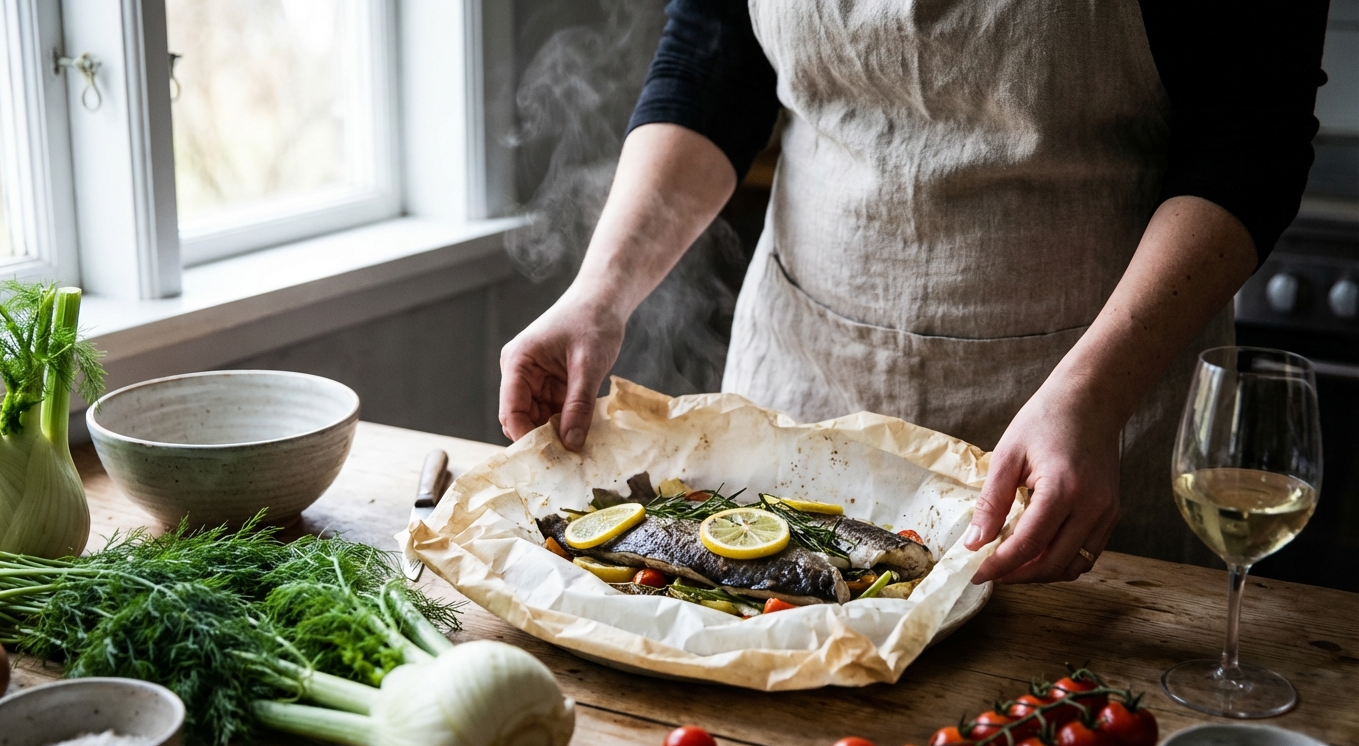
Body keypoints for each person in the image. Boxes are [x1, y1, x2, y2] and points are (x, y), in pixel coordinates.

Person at [498, 1, 1329, 584]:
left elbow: (1251, 140)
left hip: (1089, 397)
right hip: (805, 377)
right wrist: (598, 294)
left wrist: (1096, 393)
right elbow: (713, 59)